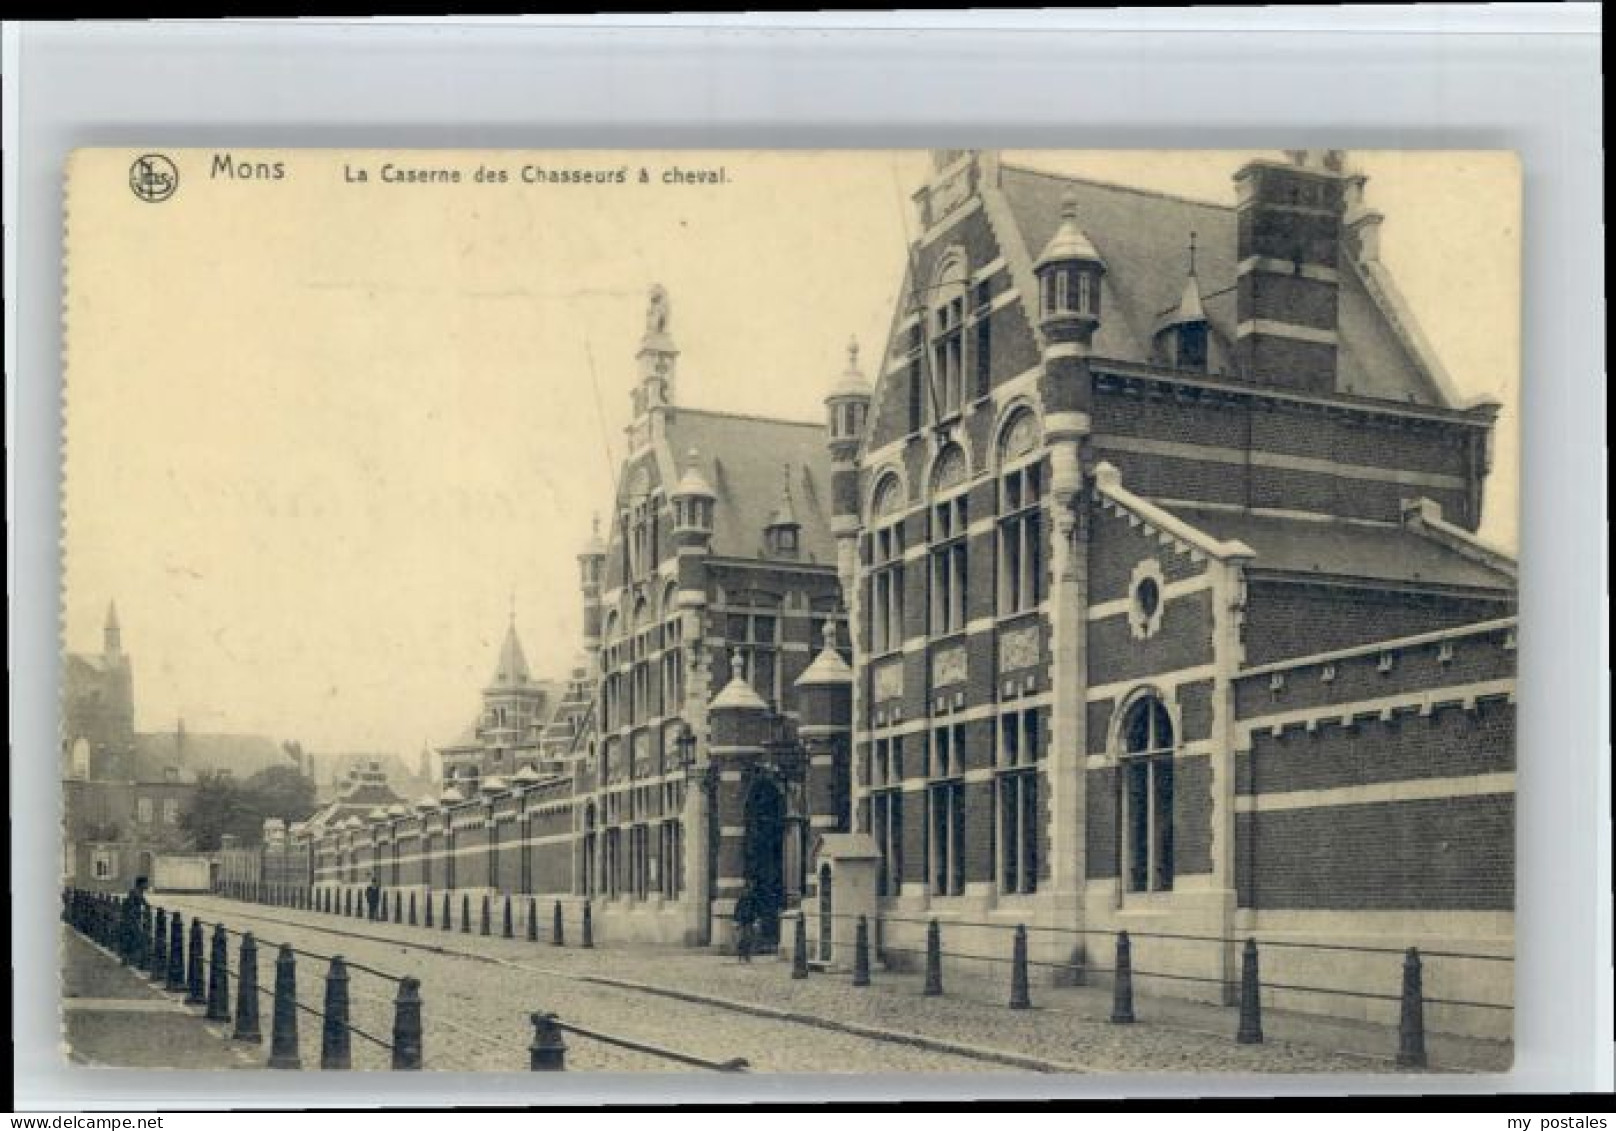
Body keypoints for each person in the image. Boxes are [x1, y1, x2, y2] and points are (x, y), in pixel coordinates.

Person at [121, 876, 150, 966]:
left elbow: (144, 902)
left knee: (133, 938)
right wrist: (136, 919)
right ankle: (129, 958)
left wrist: (147, 906)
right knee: (135, 938)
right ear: (141, 884)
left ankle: (128, 958)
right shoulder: (136, 893)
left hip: (132, 918)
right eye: (146, 883)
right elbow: (134, 906)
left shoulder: (137, 892)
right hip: (131, 919)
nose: (147, 885)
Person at [733, 886, 759, 964]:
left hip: (749, 921)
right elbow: (737, 911)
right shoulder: (741, 901)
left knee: (748, 938)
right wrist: (736, 921)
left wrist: (755, 920)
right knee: (741, 939)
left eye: (747, 890)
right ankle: (741, 955)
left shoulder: (753, 899)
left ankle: (747, 956)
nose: (746, 891)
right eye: (745, 890)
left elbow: (755, 910)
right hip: (742, 922)